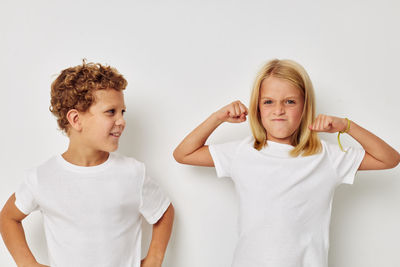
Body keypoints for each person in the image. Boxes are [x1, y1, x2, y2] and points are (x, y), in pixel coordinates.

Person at [173, 59, 400, 267]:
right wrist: (217, 118)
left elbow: (389, 159)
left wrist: (346, 126)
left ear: (305, 107)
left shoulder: (327, 157)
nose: (279, 110)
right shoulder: (242, 152)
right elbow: (183, 154)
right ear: (257, 108)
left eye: (290, 101)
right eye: (269, 102)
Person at [0, 61, 174, 267]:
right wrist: (28, 264)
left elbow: (163, 211)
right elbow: (8, 218)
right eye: (111, 112)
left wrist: (154, 258)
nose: (121, 121)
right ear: (75, 119)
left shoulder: (132, 173)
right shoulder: (42, 177)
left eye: (122, 112)